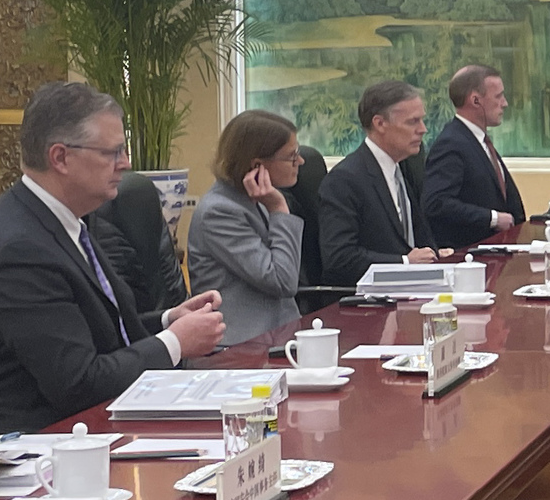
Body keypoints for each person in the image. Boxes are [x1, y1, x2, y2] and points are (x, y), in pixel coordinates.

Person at [0, 81, 227, 436]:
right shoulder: (18, 252)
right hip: (22, 449)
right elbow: (79, 383)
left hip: (78, 433)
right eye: (112, 153)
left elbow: (96, 331)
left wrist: (170, 320)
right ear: (60, 157)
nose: (125, 165)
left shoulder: (61, 220)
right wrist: (176, 342)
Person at [189, 109, 309, 346]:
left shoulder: (255, 199)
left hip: (277, 339)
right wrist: (278, 209)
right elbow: (282, 281)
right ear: (257, 165)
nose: (301, 162)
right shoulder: (219, 212)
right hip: (239, 349)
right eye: (291, 156)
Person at [318, 78, 444, 286]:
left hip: (414, 290)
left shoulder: (404, 166)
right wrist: (405, 262)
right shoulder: (344, 180)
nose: (423, 129)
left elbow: (416, 238)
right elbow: (340, 259)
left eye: (422, 120)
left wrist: (435, 253)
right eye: (413, 121)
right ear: (380, 123)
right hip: (369, 304)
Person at [422, 63, 531, 248]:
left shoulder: (478, 140)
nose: (504, 103)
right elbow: (436, 203)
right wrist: (493, 218)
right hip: (471, 257)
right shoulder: (451, 144)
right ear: (475, 101)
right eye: (498, 96)